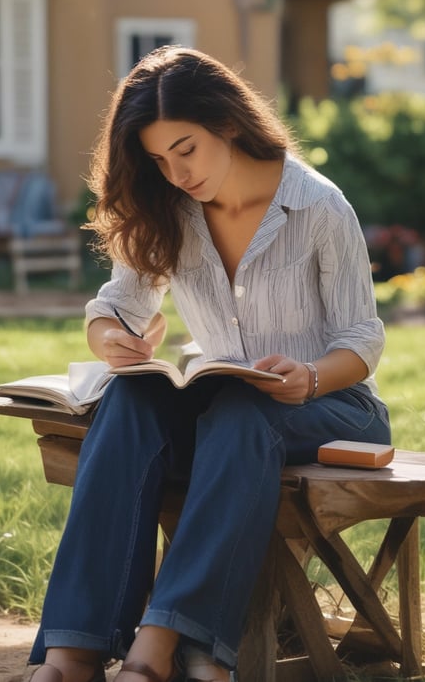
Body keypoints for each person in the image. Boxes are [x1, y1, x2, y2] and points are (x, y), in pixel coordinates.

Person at [28, 45, 391, 682]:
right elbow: (118, 305)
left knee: (245, 413)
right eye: (159, 159)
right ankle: (72, 653)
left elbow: (362, 339)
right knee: (131, 399)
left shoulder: (318, 207)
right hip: (227, 414)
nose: (175, 172)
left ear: (227, 122)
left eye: (186, 149)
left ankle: (163, 644)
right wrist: (109, 334)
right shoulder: (168, 210)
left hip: (332, 411)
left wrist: (309, 377)